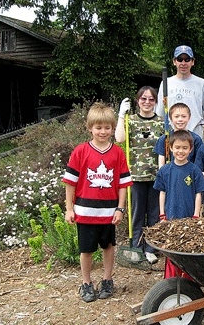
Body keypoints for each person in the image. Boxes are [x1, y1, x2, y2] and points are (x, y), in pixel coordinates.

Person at [63, 102, 132, 302]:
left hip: (109, 212)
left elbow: (122, 184)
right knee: (86, 250)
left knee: (108, 246)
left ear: (112, 128)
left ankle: (107, 279)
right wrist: (69, 208)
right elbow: (70, 183)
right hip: (85, 211)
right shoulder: (80, 151)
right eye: (98, 127)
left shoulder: (117, 153)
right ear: (90, 128)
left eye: (107, 128)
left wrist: (120, 208)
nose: (103, 132)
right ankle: (86, 282)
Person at [114, 86, 164, 264]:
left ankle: (151, 248)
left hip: (156, 176)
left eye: (151, 99)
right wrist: (121, 115)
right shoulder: (131, 121)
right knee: (137, 213)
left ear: (155, 102)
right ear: (138, 101)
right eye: (143, 99)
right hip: (135, 176)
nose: (147, 102)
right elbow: (119, 139)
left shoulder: (161, 123)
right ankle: (136, 246)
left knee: (154, 213)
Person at [153, 130, 204, 278]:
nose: (180, 151)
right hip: (171, 217)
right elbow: (162, 193)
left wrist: (196, 215)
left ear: (190, 149)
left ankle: (188, 280)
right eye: (177, 147)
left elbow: (199, 193)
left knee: (188, 248)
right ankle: (171, 279)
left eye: (185, 148)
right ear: (171, 148)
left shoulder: (194, 170)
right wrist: (162, 214)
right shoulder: (165, 170)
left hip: (189, 217)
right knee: (172, 249)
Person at [155, 45, 204, 140]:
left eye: (187, 59)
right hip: (173, 139)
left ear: (192, 62)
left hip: (195, 138)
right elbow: (160, 114)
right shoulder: (165, 83)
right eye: (180, 59)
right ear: (174, 61)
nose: (183, 63)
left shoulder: (202, 84)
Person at [154, 102, 203, 167]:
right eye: (176, 116)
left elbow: (198, 163)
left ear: (189, 117)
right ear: (171, 118)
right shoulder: (164, 139)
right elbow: (161, 164)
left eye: (183, 116)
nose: (180, 119)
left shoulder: (196, 139)